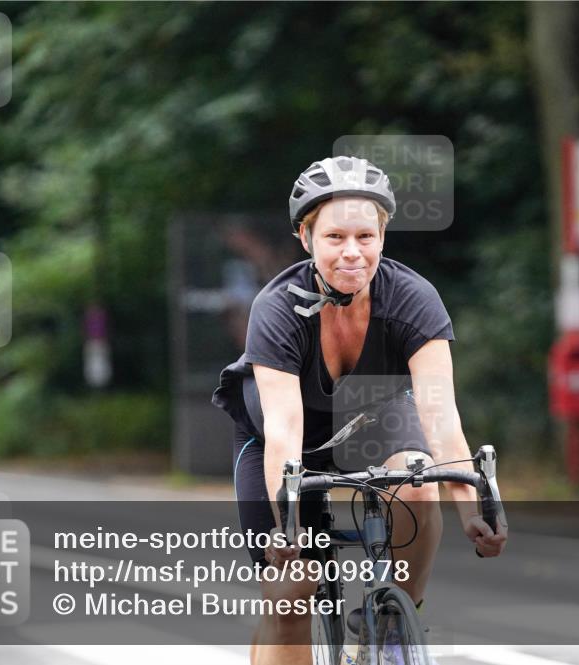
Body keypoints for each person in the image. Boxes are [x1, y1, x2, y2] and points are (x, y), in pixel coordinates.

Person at [213, 155, 507, 665]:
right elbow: (283, 428)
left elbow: (440, 416)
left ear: (383, 237)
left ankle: (394, 626)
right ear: (306, 238)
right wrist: (288, 524)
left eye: (365, 238)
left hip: (372, 422)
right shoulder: (277, 307)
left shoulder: (414, 299)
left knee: (417, 484)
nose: (352, 253)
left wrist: (471, 512)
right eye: (334, 238)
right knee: (290, 598)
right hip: (282, 443)